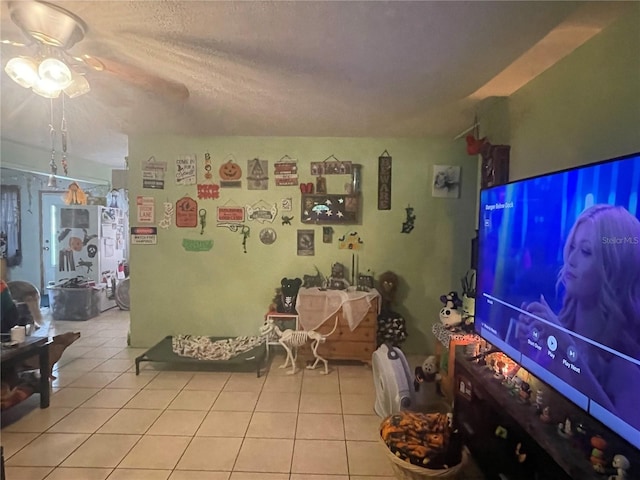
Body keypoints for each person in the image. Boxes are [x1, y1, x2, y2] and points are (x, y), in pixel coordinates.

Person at [517, 204, 640, 428]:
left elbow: (622, 442)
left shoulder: (623, 367)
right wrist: (526, 349)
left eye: (585, 251)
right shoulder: (556, 332)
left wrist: (567, 347)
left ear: (615, 267)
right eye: (571, 247)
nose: (571, 260)